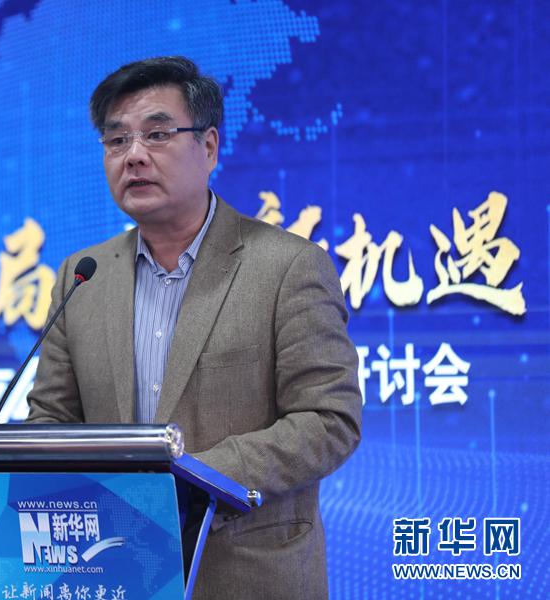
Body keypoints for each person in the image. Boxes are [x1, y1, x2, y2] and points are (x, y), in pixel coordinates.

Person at [26, 56, 362, 600]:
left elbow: (329, 420)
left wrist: (191, 478)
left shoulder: (288, 267)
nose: (134, 155)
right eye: (117, 140)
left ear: (208, 147)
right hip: (114, 572)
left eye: (157, 134)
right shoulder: (83, 276)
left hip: (246, 575)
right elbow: (51, 419)